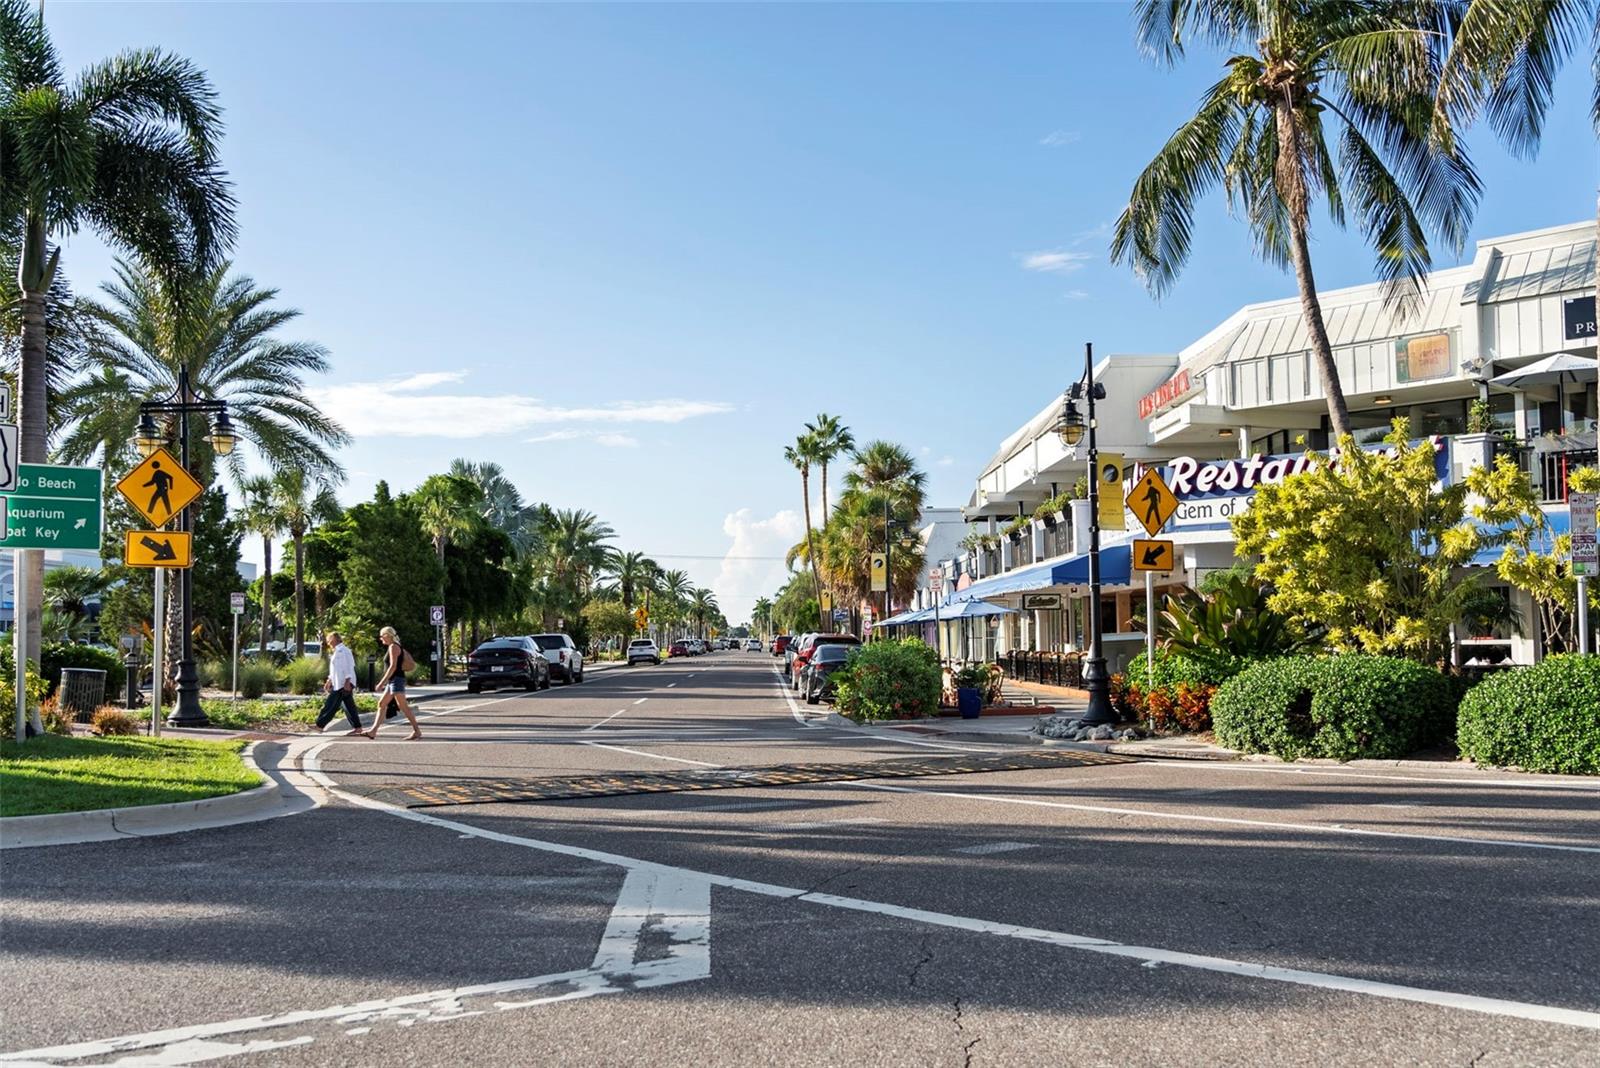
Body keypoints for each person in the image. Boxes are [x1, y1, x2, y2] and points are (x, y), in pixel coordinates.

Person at [368, 625, 421, 740]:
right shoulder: (393, 647)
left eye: (382, 636)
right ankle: (373, 731)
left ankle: (417, 731)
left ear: (388, 635)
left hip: (396, 680)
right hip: (393, 680)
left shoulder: (393, 647)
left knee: (403, 707)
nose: (381, 638)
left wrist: (381, 682)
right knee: (382, 704)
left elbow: (393, 667)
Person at [312, 631, 363, 736]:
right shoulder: (337, 651)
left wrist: (347, 682)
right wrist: (329, 680)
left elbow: (348, 667)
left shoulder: (344, 651)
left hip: (343, 683)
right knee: (349, 706)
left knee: (330, 705)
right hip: (339, 682)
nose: (328, 641)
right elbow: (335, 669)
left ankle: (319, 725)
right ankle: (357, 727)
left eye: (329, 639)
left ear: (335, 639)